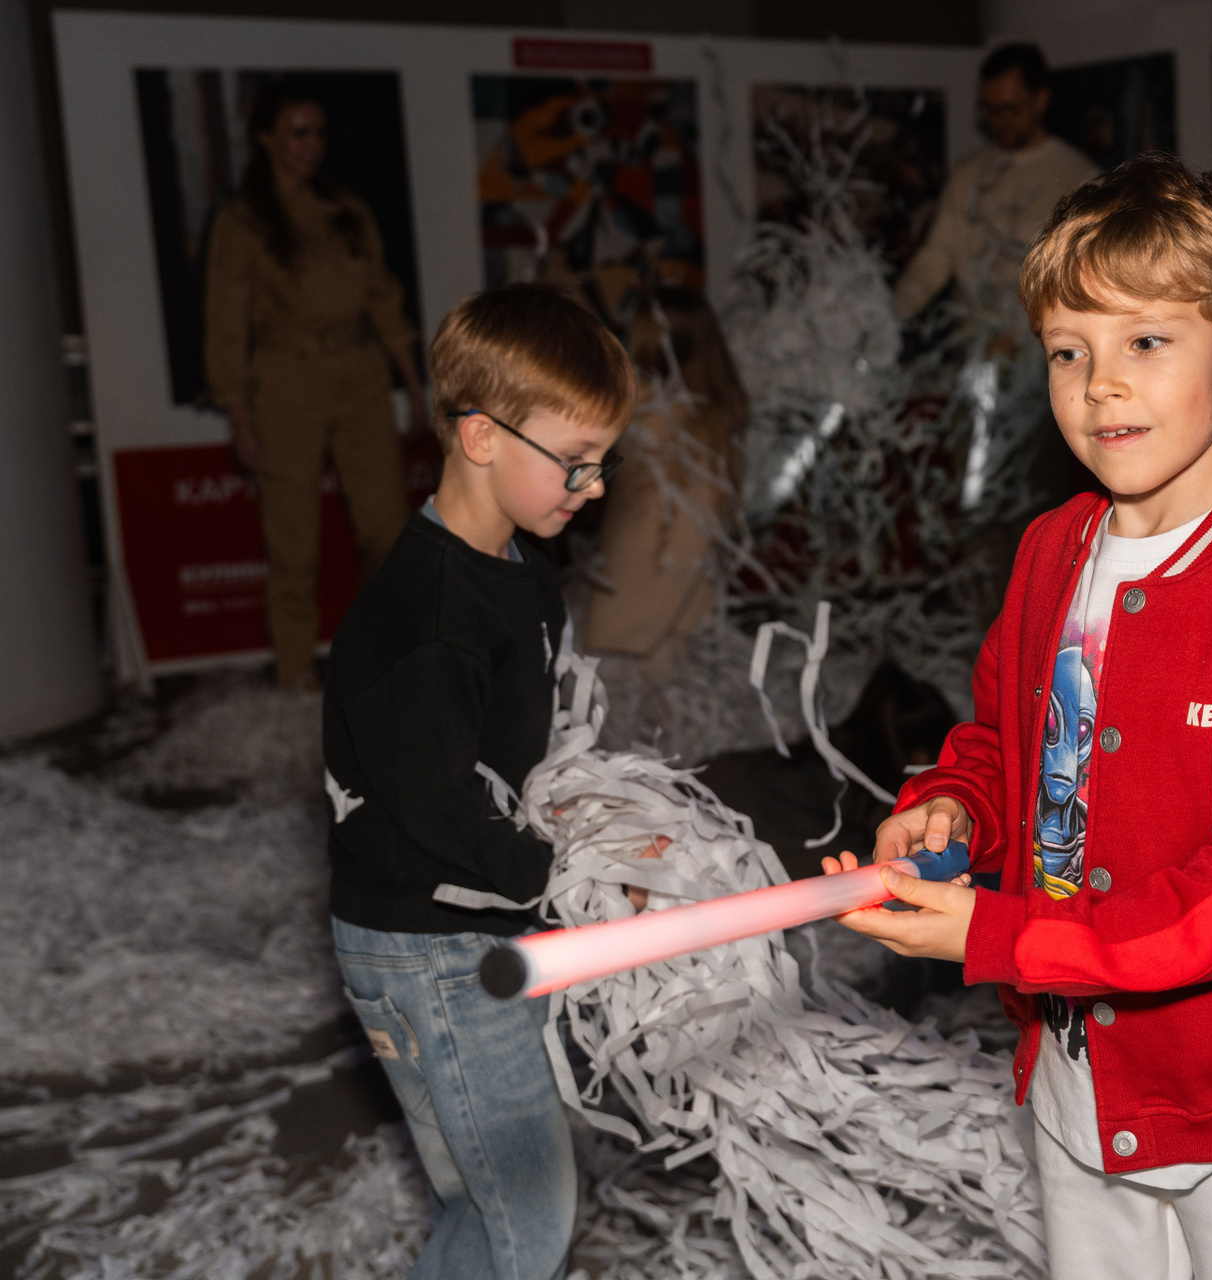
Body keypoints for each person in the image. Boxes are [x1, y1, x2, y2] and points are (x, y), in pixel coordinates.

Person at [823, 155, 1212, 1279]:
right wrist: (955, 804)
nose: (1100, 386)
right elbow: (1008, 741)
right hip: (1078, 1070)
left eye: (1145, 342)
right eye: (1068, 351)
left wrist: (997, 937)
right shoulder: (1053, 551)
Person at [322, 285, 638, 1280]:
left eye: (604, 461)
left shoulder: (520, 570)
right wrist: (567, 876)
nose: (593, 486)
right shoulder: (427, 620)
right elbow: (437, 810)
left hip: (480, 924)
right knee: (522, 1220)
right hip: (434, 951)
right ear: (480, 436)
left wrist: (590, 823)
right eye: (575, 460)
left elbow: (518, 761)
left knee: (494, 1202)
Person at [204, 77, 428, 689]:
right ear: (266, 138)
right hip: (285, 378)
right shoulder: (243, 221)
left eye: (319, 133)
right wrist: (239, 414)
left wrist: (415, 384)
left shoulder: (348, 213)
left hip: (359, 371)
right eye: (298, 133)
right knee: (293, 542)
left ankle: (375, 653)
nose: (311, 145)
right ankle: (295, 670)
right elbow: (226, 323)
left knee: (388, 528)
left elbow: (383, 299)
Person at [891, 43, 1098, 340]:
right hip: (969, 347)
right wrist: (892, 316)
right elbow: (934, 259)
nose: (999, 121)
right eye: (990, 109)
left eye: (1010, 109)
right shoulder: (967, 176)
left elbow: (1088, 282)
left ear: (1040, 100)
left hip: (1042, 351)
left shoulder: (1080, 178)